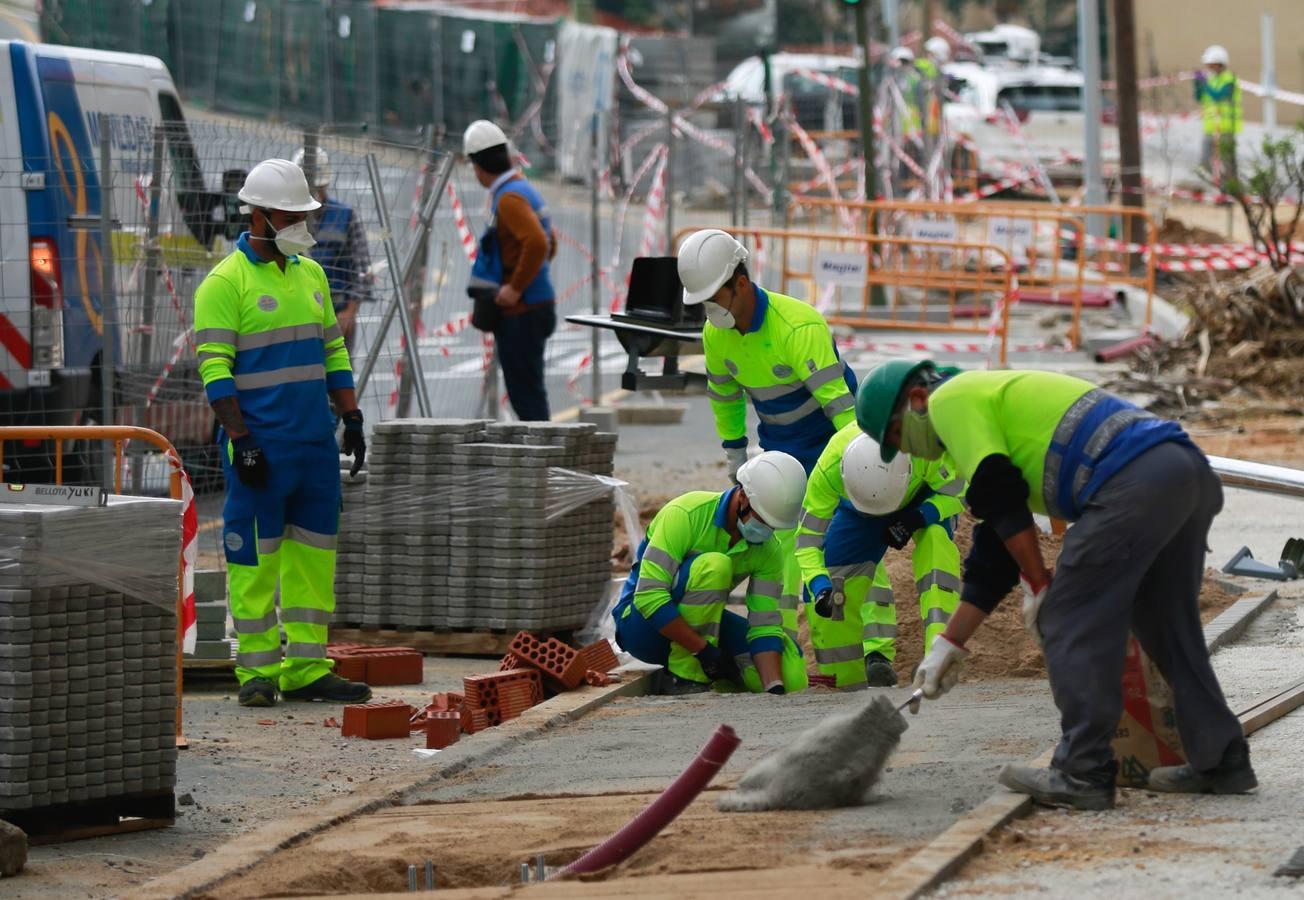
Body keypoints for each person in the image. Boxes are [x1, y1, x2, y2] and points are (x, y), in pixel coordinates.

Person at [855, 360, 1254, 811]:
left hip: (1131, 479)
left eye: (895, 437)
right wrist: (949, 644)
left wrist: (1043, 586)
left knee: (1067, 613)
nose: (904, 450)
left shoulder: (950, 399)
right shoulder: (991, 408)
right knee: (1165, 624)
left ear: (917, 400)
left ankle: (1082, 771)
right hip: (1183, 471)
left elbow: (1000, 492)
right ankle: (1222, 759)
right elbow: (995, 550)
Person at [194, 159, 371, 708]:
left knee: (313, 562)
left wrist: (352, 415)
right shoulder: (226, 283)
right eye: (293, 215)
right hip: (260, 449)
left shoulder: (311, 274)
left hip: (314, 449)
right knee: (253, 562)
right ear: (261, 215)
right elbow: (215, 371)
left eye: (305, 214)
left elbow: (332, 351)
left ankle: (307, 669)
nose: (303, 224)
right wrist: (241, 441)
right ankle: (257, 673)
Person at [677, 228, 890, 659]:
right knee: (790, 551)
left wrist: (858, 467)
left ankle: (877, 650)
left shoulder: (798, 326)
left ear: (740, 283)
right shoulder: (715, 335)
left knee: (855, 540)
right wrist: (736, 457)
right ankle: (792, 648)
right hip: (781, 452)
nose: (710, 309)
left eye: (714, 297)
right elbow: (726, 398)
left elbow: (841, 409)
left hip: (833, 445)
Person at [613, 452, 810, 696]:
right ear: (742, 495)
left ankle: (715, 677)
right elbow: (648, 596)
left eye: (773, 525)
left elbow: (764, 624)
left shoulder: (769, 550)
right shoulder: (686, 514)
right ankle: (685, 678)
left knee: (791, 675)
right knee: (716, 566)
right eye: (762, 519)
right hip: (643, 627)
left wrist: (774, 687)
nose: (766, 530)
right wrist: (704, 652)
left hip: (702, 627)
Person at [795, 421, 965, 688]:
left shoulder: (926, 448)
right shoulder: (829, 468)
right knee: (835, 575)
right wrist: (820, 586)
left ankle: (939, 657)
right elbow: (806, 541)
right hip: (859, 509)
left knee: (936, 543)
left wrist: (919, 517)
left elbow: (961, 494)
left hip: (923, 493)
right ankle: (848, 677)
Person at [462, 119, 558, 421]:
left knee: (527, 399)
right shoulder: (522, 189)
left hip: (522, 312)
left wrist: (516, 286)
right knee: (531, 393)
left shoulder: (509, 199)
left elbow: (539, 244)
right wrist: (534, 276)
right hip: (538, 305)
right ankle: (547, 460)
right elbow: (549, 242)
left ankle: (545, 463)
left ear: (478, 166)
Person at [290, 147, 373, 352]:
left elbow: (362, 268)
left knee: (338, 376)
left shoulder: (345, 216)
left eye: (318, 187)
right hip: (294, 317)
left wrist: (350, 311)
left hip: (338, 315)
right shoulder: (286, 218)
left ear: (326, 182)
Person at [1194, 45, 1241, 183]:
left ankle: (1230, 192)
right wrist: (1197, 85)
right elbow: (1199, 98)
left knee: (1227, 165)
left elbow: (1219, 95)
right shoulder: (1211, 79)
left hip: (1226, 129)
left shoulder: (1230, 79)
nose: (1208, 68)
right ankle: (1216, 189)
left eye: (1211, 64)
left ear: (1220, 64)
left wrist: (1205, 85)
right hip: (1210, 128)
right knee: (1205, 162)